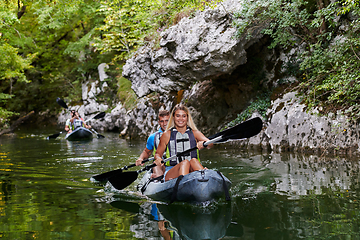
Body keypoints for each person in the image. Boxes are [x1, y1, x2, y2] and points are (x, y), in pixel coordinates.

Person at [154, 104, 212, 181]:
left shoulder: (195, 133)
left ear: (187, 118)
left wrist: (205, 143)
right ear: (173, 117)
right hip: (172, 170)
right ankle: (184, 184)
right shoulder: (167, 134)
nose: (181, 119)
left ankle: (204, 177)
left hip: (192, 169)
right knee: (185, 163)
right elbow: (158, 154)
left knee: (194, 161)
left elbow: (210, 144)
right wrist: (158, 159)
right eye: (178, 116)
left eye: (183, 116)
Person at [135, 110, 170, 178]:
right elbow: (147, 152)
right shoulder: (153, 137)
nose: (165, 124)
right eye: (162, 121)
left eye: (167, 120)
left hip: (173, 164)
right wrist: (141, 158)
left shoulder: (177, 134)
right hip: (158, 164)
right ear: (159, 122)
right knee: (157, 166)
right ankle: (157, 177)